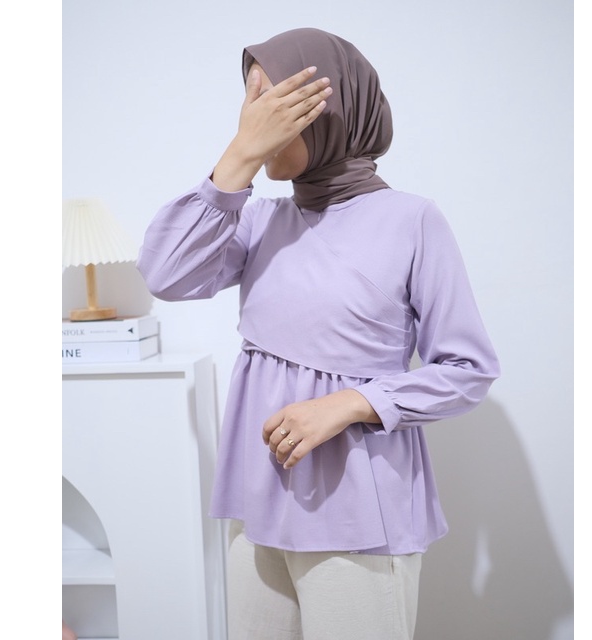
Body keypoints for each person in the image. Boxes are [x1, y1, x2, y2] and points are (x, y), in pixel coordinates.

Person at [137, 27, 500, 640]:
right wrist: (238, 156)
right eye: (250, 103)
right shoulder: (257, 222)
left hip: (359, 513)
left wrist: (349, 403)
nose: (257, 118)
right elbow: (165, 274)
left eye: (272, 100)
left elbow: (469, 371)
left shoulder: (411, 220)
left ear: (327, 109)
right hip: (257, 502)